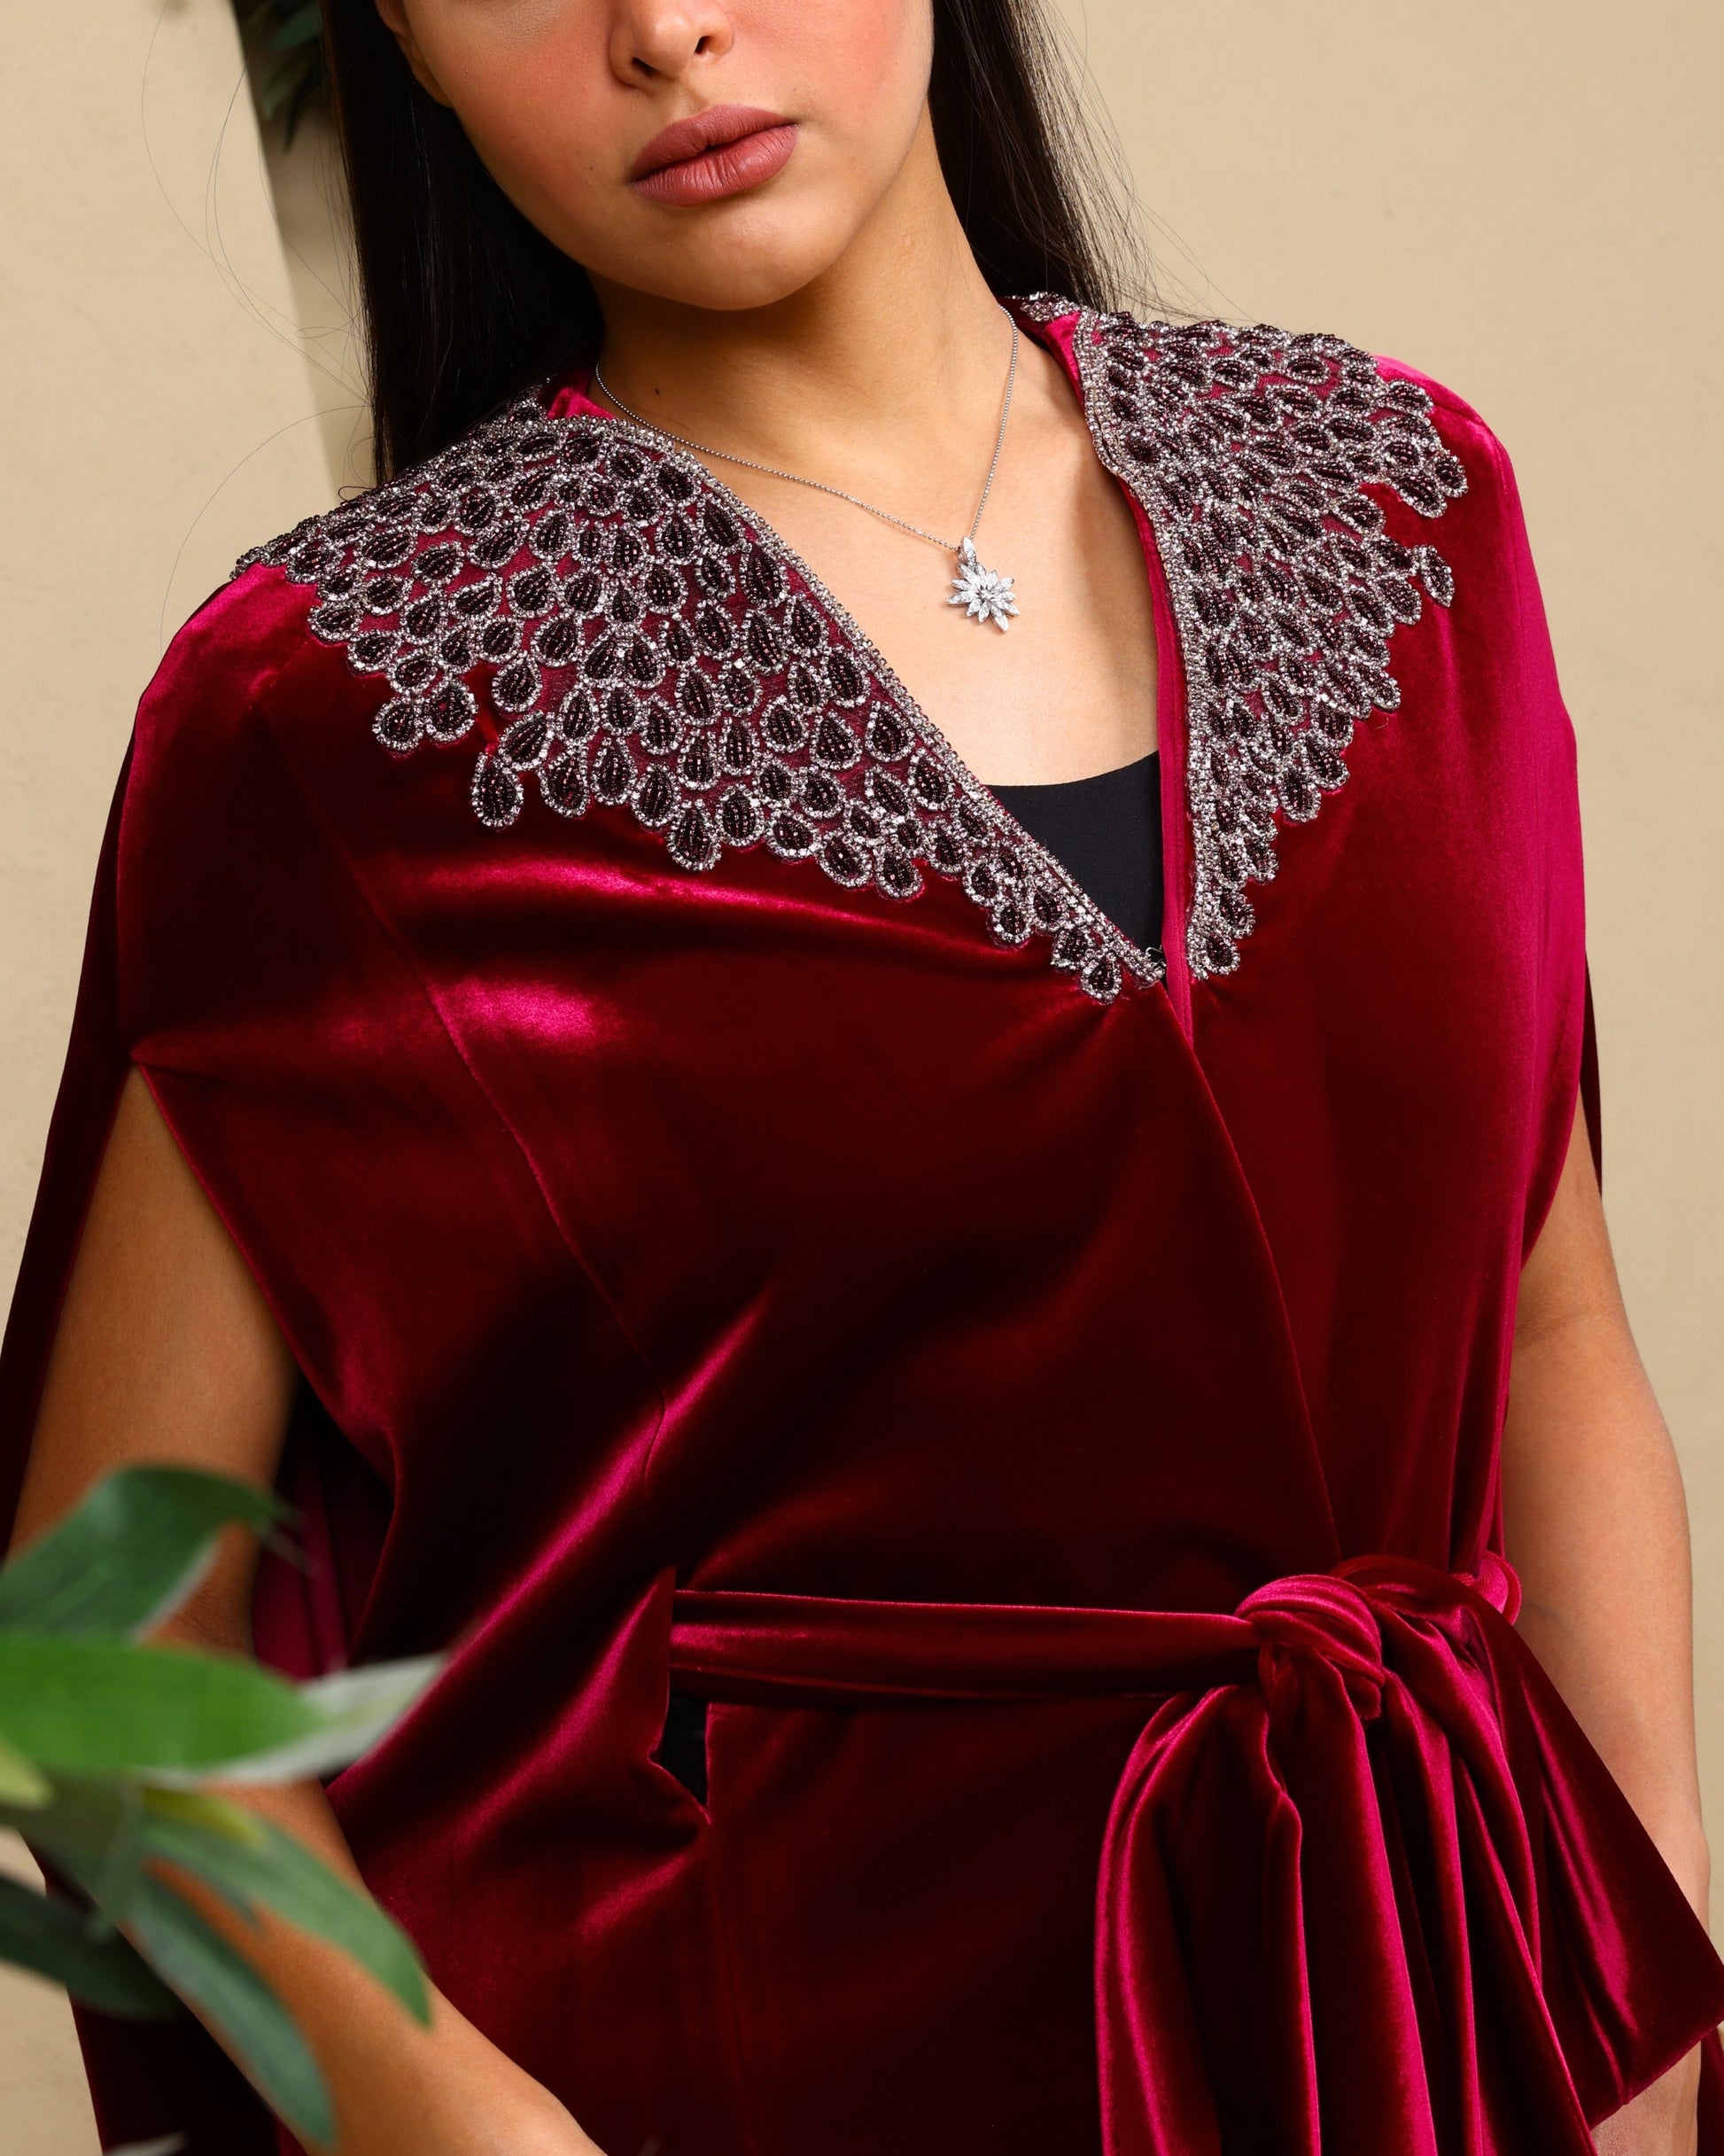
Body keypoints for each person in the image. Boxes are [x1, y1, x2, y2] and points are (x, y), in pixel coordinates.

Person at [2, 1, 1719, 2151]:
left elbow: (1548, 1318)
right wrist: (462, 2127)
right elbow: (100, 1654)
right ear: (401, 47)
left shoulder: (1399, 507)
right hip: (730, 2054)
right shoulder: (324, 726)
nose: (664, 31)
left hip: (1417, 2029)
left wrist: (1634, 1985)